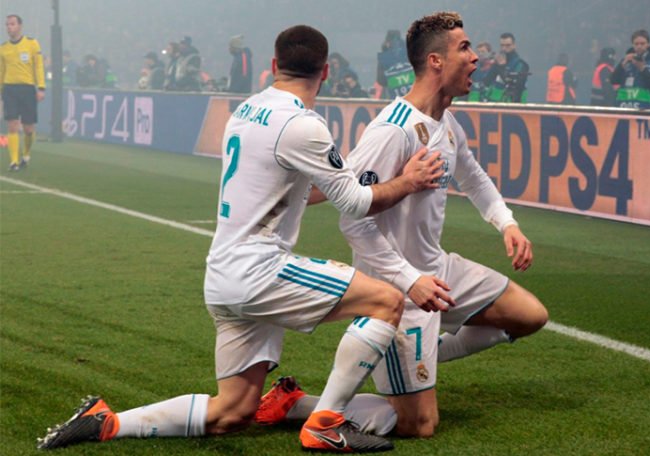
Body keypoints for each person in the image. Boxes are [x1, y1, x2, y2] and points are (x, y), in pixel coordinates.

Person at [36, 24, 446, 453]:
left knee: (231, 411)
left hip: (223, 276)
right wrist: (408, 181)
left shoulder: (246, 110)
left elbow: (294, 189)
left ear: (273, 65)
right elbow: (356, 203)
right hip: (259, 271)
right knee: (387, 301)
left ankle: (107, 422)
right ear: (325, 72)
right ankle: (325, 422)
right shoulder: (302, 124)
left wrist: (344, 179)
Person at [255, 11, 548, 439]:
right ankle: (297, 403)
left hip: (437, 270)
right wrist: (411, 280)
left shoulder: (446, 123)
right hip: (398, 287)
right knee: (419, 425)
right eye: (464, 48)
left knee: (529, 316)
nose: (475, 58)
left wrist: (507, 224)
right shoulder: (393, 131)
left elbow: (473, 176)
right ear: (435, 61)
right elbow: (354, 222)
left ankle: (423, 357)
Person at [0, 14, 45, 171]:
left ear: (20, 26)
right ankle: (13, 162)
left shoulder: (32, 44)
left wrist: (41, 87)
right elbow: (1, 71)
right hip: (9, 89)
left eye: (12, 24)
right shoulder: (3, 48)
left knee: (28, 129)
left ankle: (26, 154)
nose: (9, 27)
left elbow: (38, 66)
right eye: (7, 24)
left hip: (27, 89)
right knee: (12, 125)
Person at [610, 29, 650, 109]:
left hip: (646, 109)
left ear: (648, 44)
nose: (639, 46)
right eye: (636, 44)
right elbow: (613, 80)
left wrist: (643, 69)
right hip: (624, 108)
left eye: (642, 44)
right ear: (633, 45)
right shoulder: (626, 61)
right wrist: (622, 65)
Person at [484, 32, 530, 103]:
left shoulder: (521, 65)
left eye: (508, 45)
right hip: (494, 104)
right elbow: (487, 82)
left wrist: (502, 67)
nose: (504, 48)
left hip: (513, 105)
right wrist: (495, 65)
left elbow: (516, 86)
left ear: (514, 45)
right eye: (502, 45)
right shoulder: (498, 62)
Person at [376, 30, 414, 99]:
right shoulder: (410, 53)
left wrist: (392, 81)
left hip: (395, 97)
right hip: (414, 96)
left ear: (387, 42)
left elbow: (381, 80)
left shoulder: (384, 58)